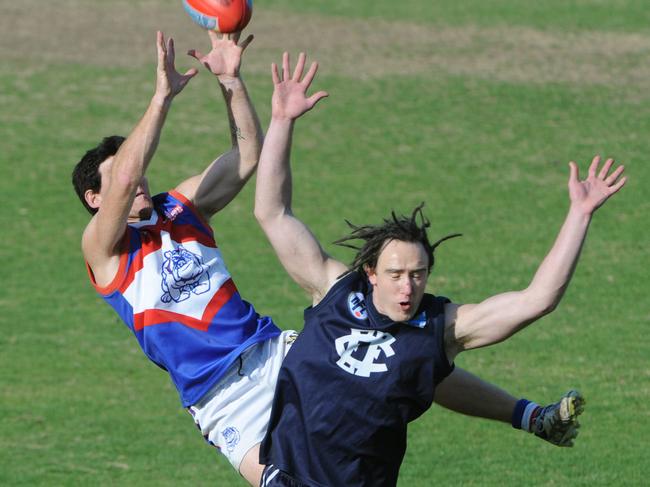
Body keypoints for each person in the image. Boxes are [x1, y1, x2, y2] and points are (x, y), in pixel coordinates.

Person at [72, 33, 584, 487]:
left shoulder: (179, 209)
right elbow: (122, 179)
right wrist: (161, 97)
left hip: (273, 351)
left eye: (137, 171)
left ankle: (528, 416)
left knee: (399, 351)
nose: (137, 179)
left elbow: (247, 156)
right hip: (221, 396)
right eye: (125, 175)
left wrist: (231, 82)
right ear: (94, 200)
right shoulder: (103, 251)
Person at [254, 52, 626, 486]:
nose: (407, 287)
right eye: (395, 275)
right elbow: (273, 213)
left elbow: (537, 300)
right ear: (371, 273)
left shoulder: (439, 328)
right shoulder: (334, 289)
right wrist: (282, 121)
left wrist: (579, 214)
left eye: (418, 274)